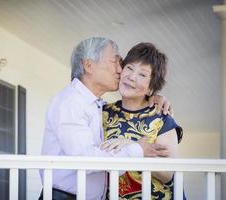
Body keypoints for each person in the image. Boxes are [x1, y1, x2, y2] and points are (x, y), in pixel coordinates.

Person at [39, 37, 172, 200]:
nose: (120, 70)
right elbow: (85, 158)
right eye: (115, 62)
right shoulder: (71, 102)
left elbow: (168, 172)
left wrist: (153, 97)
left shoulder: (97, 106)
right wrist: (137, 149)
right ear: (89, 65)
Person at [102, 42, 184, 199]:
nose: (132, 77)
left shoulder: (161, 117)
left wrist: (130, 146)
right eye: (130, 68)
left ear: (151, 88)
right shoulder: (104, 113)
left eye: (142, 75)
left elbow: (167, 173)